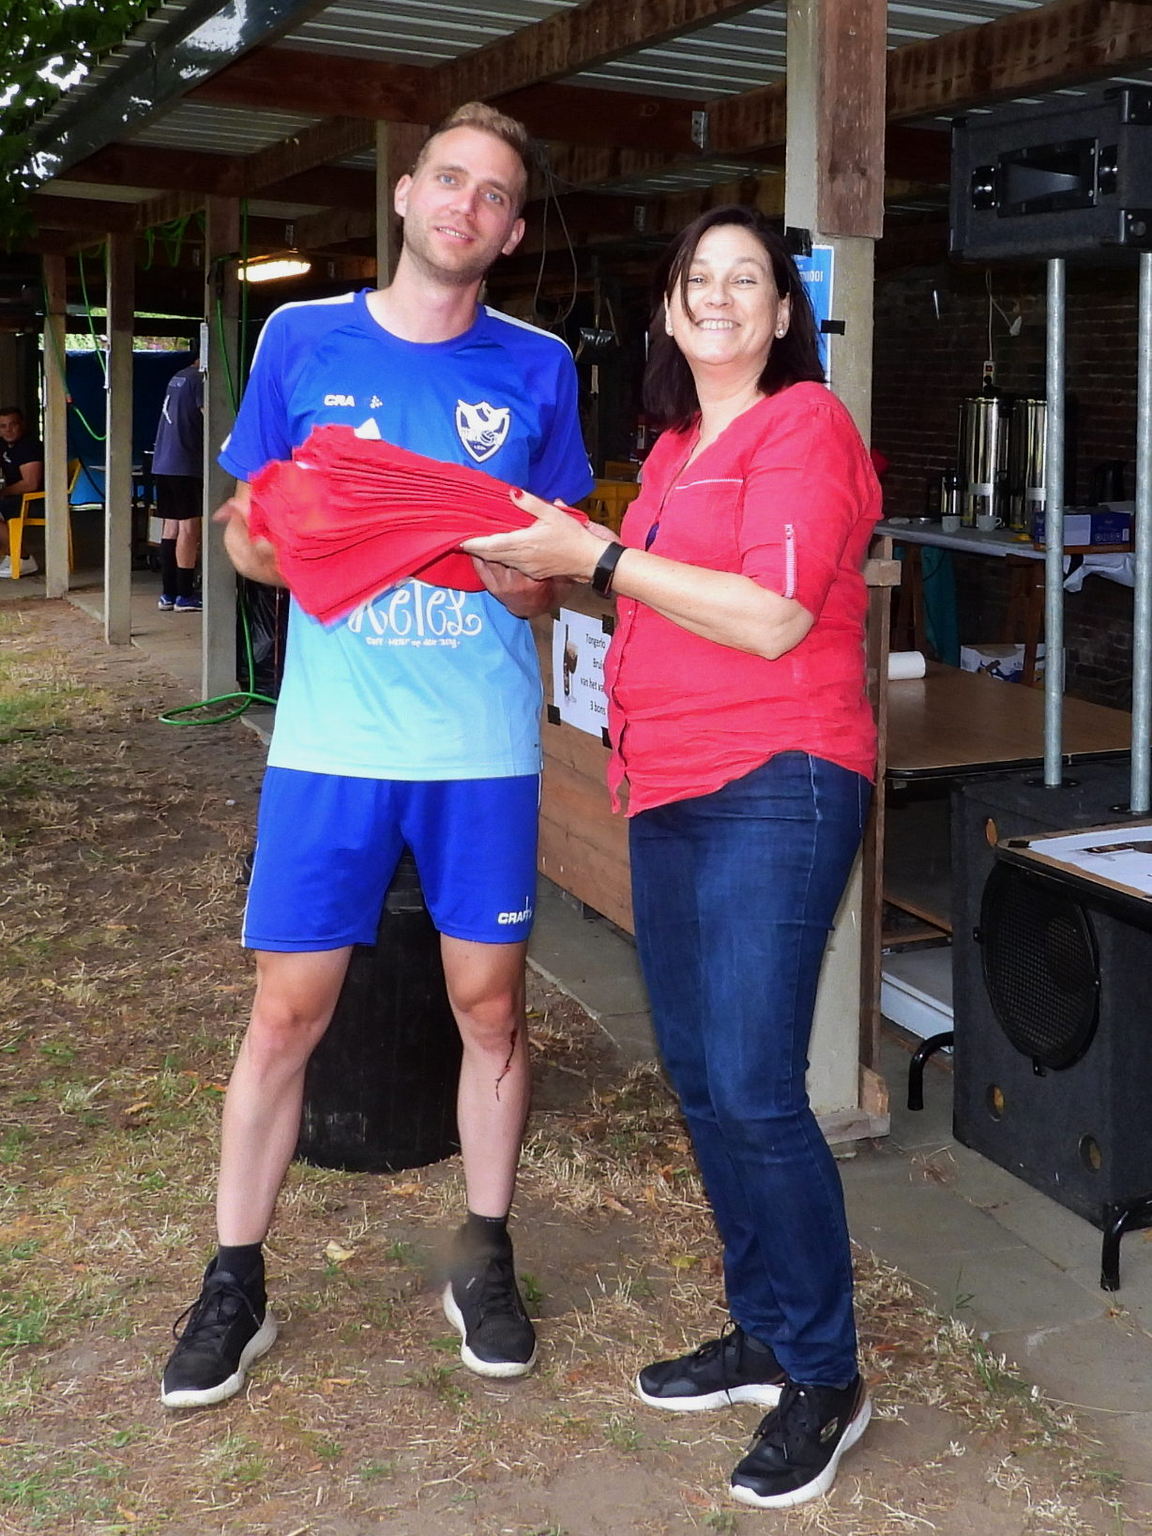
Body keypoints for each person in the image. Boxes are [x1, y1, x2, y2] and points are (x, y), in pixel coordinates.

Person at [160, 102, 591, 1409]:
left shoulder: (539, 367)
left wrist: (516, 576)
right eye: (449, 179)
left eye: (494, 194)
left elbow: (556, 574)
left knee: (490, 1011)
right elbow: (247, 533)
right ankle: (235, 1280)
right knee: (287, 1014)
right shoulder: (301, 337)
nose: (467, 204)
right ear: (406, 195)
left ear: (510, 232)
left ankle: (485, 1256)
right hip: (331, 744)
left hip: (480, 750)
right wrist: (279, 546)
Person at [463, 206, 881, 1511]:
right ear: (667, 310)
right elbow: (641, 586)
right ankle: (766, 1330)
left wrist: (596, 553)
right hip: (671, 786)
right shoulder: (672, 449)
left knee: (754, 1085)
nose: (718, 295)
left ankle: (826, 1375)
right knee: (703, 1082)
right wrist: (543, 572)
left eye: (747, 278)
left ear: (782, 313)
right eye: (697, 277)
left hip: (777, 781)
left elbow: (773, 616)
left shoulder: (803, 425)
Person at [152, 359, 204, 611]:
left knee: (170, 526)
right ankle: (185, 594)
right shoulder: (200, 380)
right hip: (185, 463)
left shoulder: (178, 376)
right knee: (189, 527)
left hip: (163, 462)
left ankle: (168, 593)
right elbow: (211, 417)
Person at [0, 405, 44, 576]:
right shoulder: (6, 446)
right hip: (17, 499)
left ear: (22, 425)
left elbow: (30, 484)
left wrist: (3, 493)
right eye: (3, 426)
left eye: (13, 424)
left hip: (37, 501)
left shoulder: (29, 447)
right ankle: (11, 555)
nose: (8, 430)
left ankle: (23, 558)